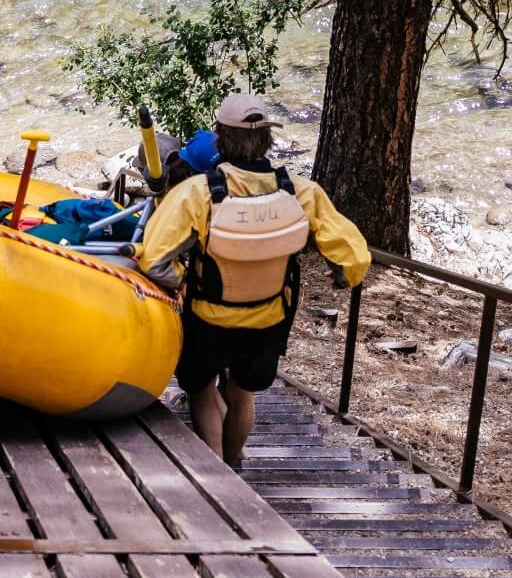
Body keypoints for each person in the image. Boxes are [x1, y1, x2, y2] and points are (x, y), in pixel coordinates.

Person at [133, 90, 369, 469]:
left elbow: (154, 257)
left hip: (209, 317)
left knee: (202, 390)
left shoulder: (198, 192)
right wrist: (342, 275)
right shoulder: (301, 191)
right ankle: (235, 458)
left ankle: (215, 469)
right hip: (269, 318)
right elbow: (353, 255)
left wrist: (180, 279)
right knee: (243, 393)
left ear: (220, 140)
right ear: (267, 139)